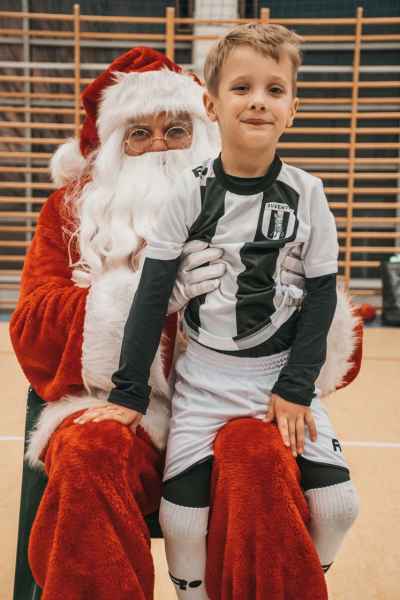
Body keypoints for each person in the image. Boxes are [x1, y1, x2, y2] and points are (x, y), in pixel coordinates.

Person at [10, 45, 361, 600]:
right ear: (114, 147)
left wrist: (288, 299)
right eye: (138, 133)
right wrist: (141, 299)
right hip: (122, 407)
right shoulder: (70, 211)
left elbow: (340, 349)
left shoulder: (278, 198)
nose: (158, 145)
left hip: (238, 398)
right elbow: (32, 330)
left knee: (259, 455)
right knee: (88, 450)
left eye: (175, 130)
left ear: (202, 130)